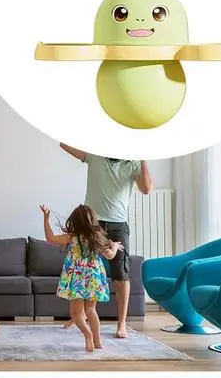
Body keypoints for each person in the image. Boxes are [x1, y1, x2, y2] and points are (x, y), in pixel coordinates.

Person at [59, 144, 153, 338]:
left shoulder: (133, 163)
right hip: (92, 224)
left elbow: (146, 189)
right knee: (85, 269)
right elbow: (63, 144)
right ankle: (81, 314)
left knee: (121, 274)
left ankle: (122, 324)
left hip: (118, 224)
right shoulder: (95, 156)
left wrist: (143, 157)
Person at [41, 203, 123, 352]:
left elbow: (50, 238)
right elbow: (110, 256)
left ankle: (87, 334)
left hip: (76, 277)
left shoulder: (72, 237)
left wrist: (46, 219)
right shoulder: (97, 237)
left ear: (75, 221)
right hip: (93, 276)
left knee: (76, 313)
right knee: (91, 310)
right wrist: (114, 247)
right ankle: (97, 342)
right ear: (93, 221)